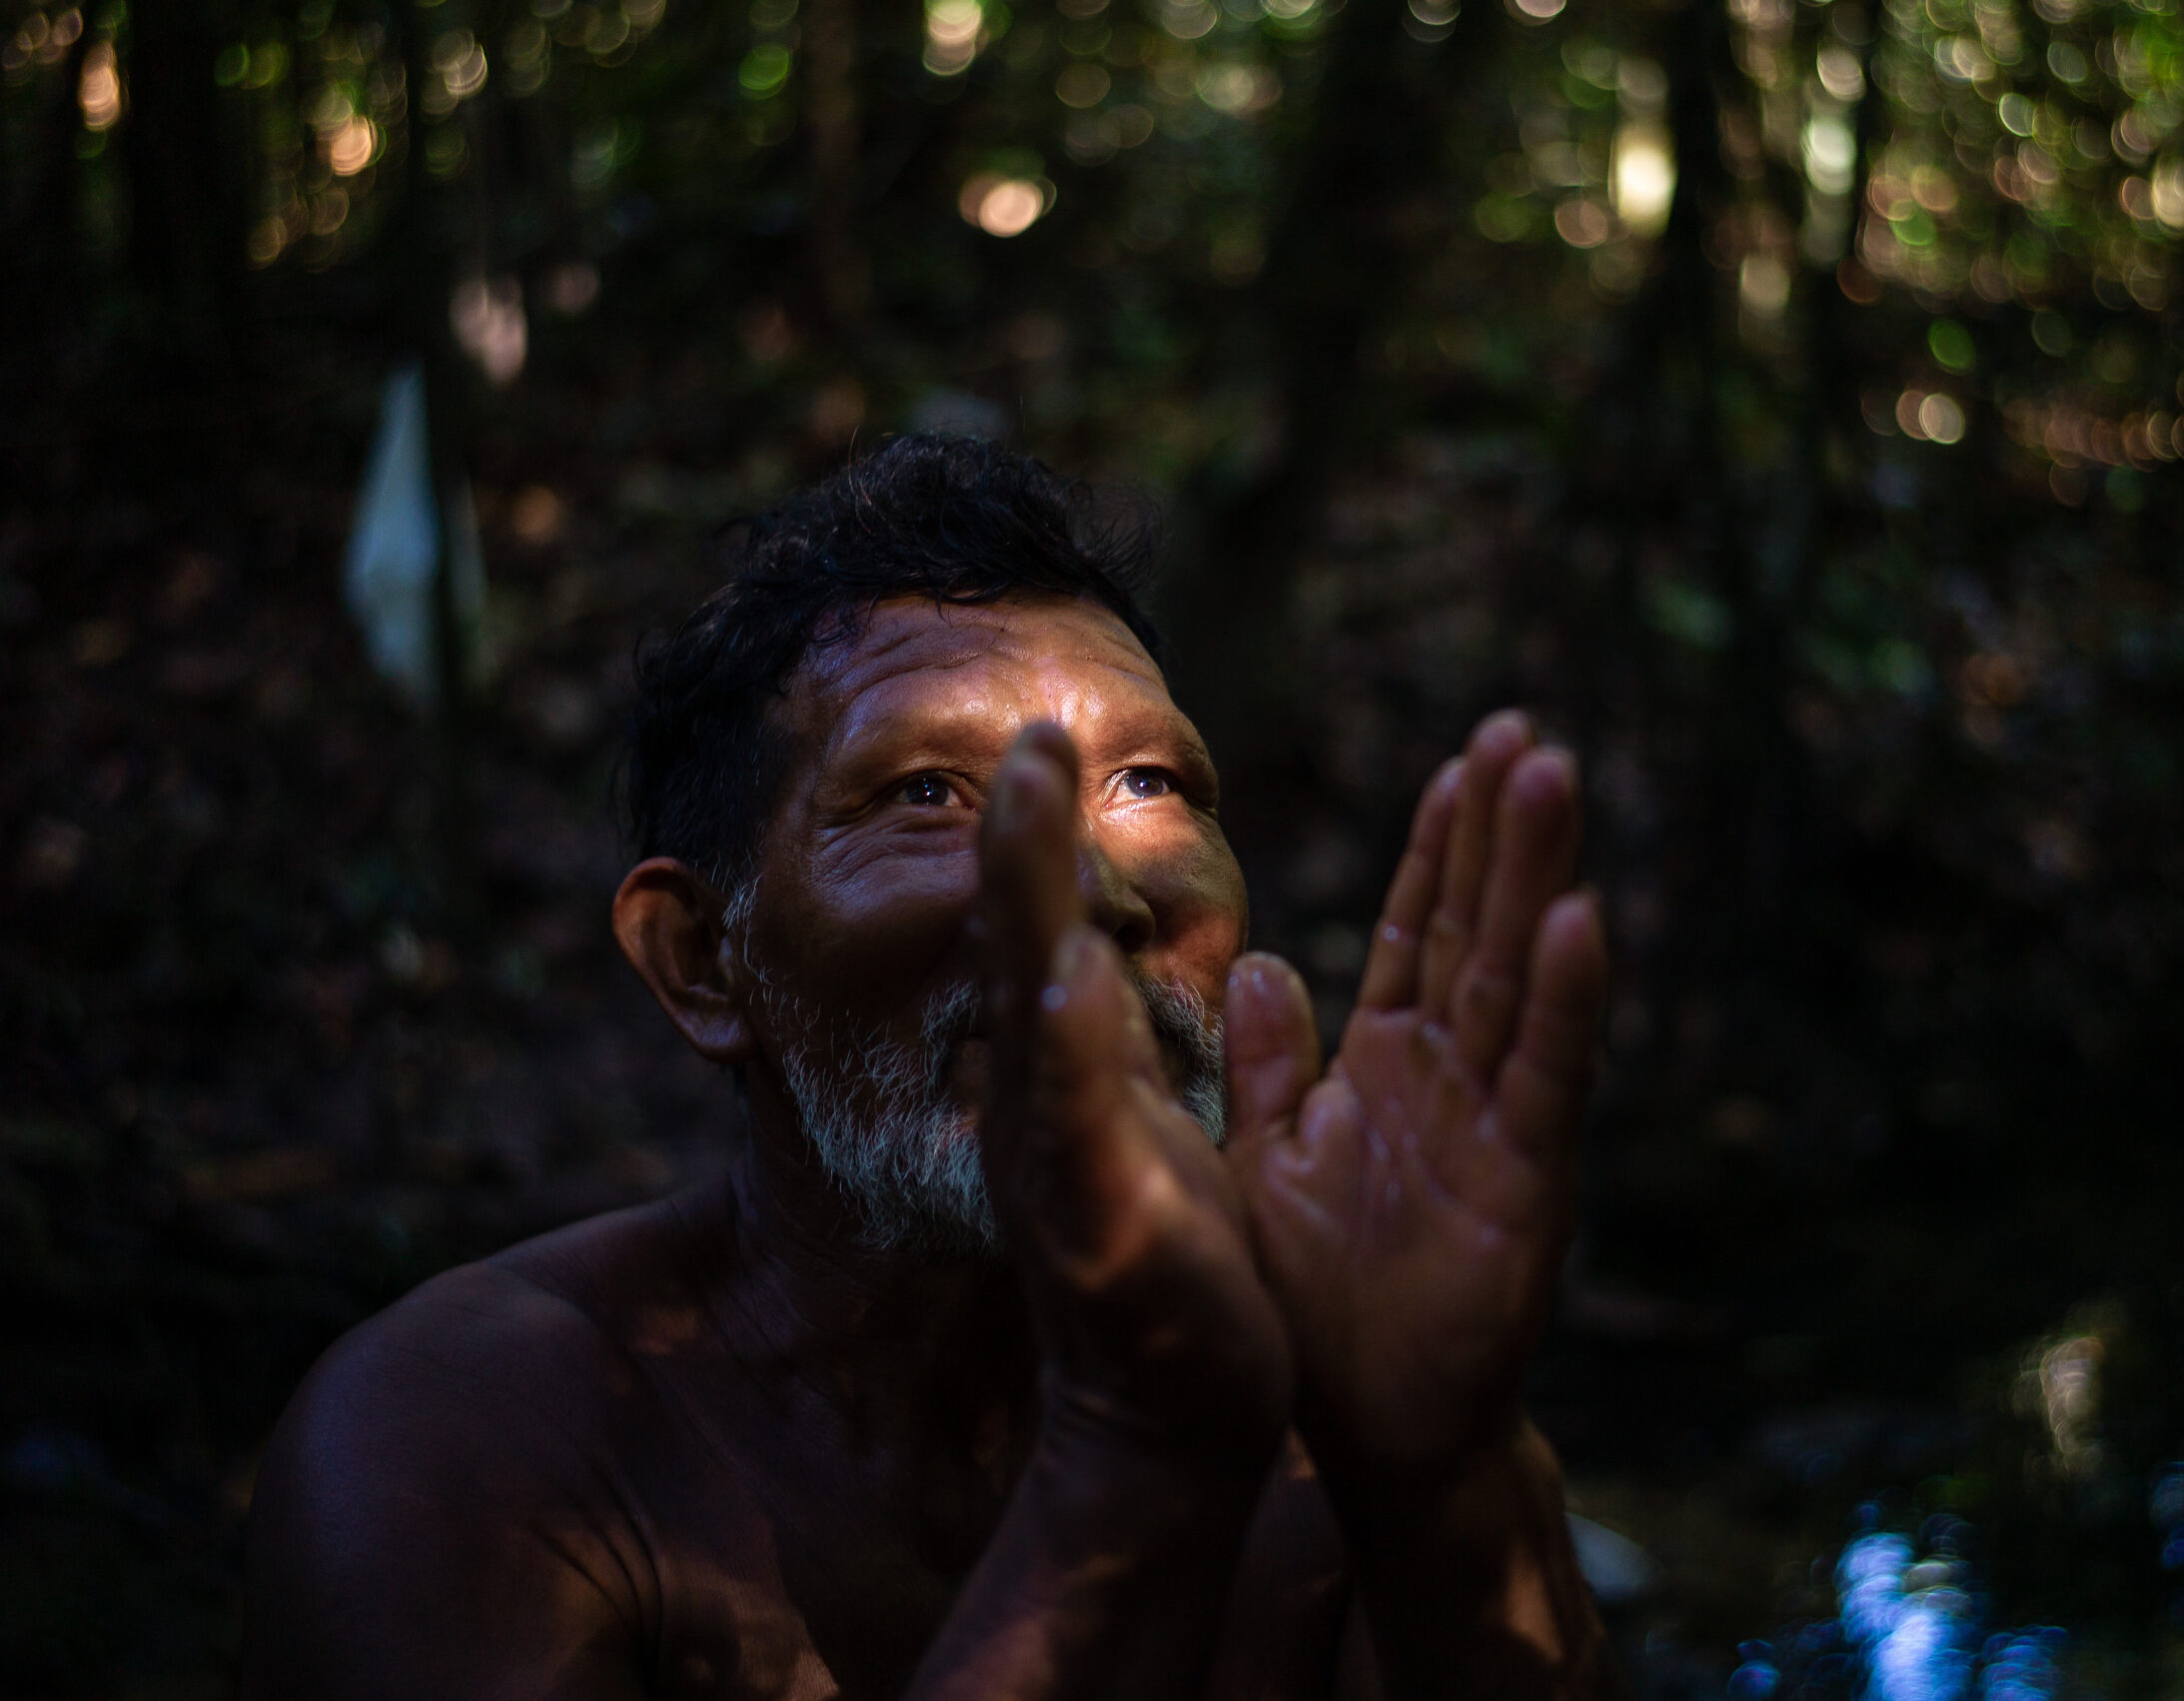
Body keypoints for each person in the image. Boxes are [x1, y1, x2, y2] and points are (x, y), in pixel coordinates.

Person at [242, 435, 1618, 1700]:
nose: (1088, 890)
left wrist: (1441, 1471)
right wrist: (1139, 1453)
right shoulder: (463, 1446)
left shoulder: (1327, 1413)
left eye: (1149, 783)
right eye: (925, 795)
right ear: (703, 962)